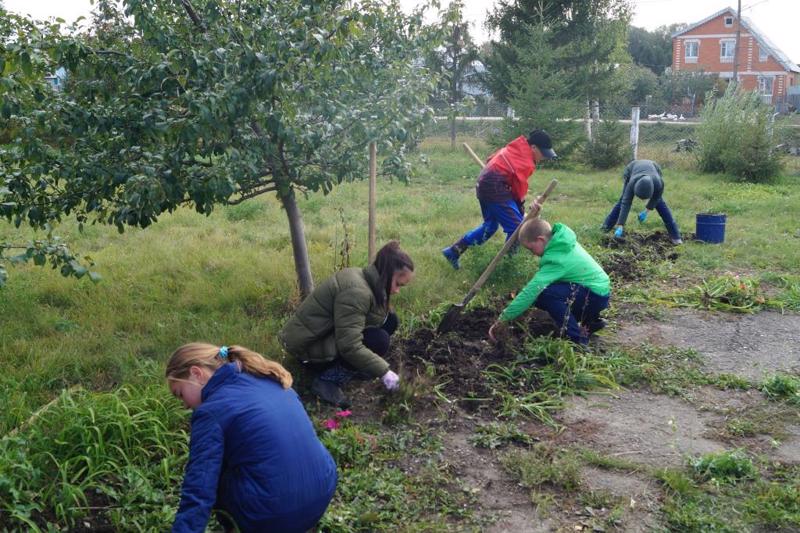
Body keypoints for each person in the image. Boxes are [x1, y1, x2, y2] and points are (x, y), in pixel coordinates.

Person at [166, 343, 337, 533]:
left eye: (180, 394)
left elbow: (199, 488)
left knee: (213, 473)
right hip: (322, 492)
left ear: (196, 373)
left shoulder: (210, 412)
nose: (185, 406)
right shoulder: (270, 378)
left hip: (274, 516)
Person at [279, 240, 414, 408]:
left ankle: (355, 367)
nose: (397, 291)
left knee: (390, 321)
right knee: (379, 340)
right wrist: (384, 371)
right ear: (386, 274)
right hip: (308, 348)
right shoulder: (356, 292)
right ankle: (327, 380)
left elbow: (371, 317)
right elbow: (349, 345)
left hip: (323, 335)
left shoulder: (365, 278)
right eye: (398, 284)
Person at [441, 129, 558, 269]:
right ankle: (508, 266)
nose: (544, 157)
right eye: (543, 153)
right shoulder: (526, 161)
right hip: (495, 187)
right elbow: (518, 188)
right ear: (533, 147)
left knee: (490, 226)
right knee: (517, 228)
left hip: (484, 182)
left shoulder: (514, 147)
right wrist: (520, 209)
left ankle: (454, 251)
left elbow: (490, 159)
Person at [488, 218, 610, 346]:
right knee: (553, 292)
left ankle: (577, 340)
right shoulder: (561, 241)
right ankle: (590, 321)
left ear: (541, 240)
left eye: (531, 249)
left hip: (594, 296)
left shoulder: (556, 259)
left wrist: (503, 318)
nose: (533, 254)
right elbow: (537, 226)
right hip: (599, 292)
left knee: (543, 294)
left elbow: (532, 290)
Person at [602, 159, 682, 244]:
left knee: (660, 203)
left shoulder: (659, 183)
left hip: (653, 167)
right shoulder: (631, 183)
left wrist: (646, 211)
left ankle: (676, 237)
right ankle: (605, 228)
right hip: (632, 168)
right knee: (622, 201)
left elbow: (656, 198)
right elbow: (626, 203)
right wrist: (620, 225)